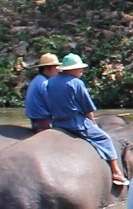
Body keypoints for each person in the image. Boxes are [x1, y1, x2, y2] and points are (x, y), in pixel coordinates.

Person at [44, 53, 125, 190]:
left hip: (57, 122)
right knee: (104, 138)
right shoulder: (76, 83)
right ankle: (116, 171)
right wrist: (92, 123)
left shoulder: (50, 82)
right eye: (78, 68)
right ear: (70, 70)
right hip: (75, 123)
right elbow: (87, 109)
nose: (81, 71)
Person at [23, 53, 62, 131]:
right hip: (43, 121)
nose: (58, 69)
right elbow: (52, 104)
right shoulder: (44, 83)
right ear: (46, 69)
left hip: (35, 120)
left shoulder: (38, 80)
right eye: (55, 67)